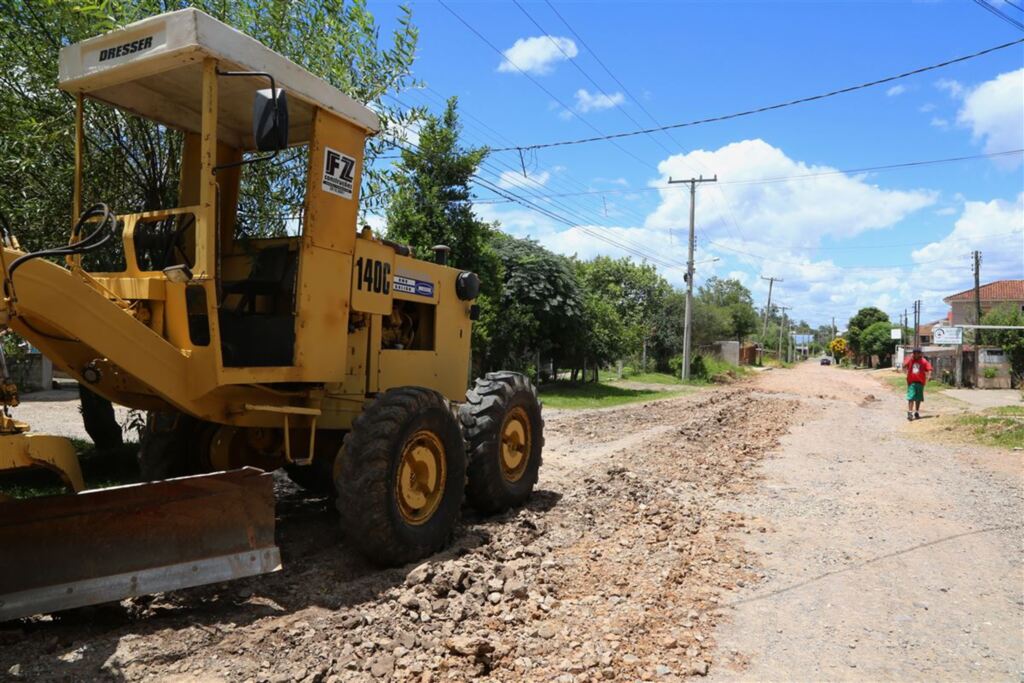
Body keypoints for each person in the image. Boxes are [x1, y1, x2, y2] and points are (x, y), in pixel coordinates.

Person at [902, 347, 932, 421]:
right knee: (911, 397)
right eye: (914, 353)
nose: (916, 354)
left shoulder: (923, 361)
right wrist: (910, 359)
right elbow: (904, 365)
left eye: (918, 353)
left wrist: (929, 375)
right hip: (911, 382)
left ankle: (917, 412)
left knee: (918, 398)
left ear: (920, 354)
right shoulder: (910, 359)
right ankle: (910, 412)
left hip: (920, 382)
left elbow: (929, 368)